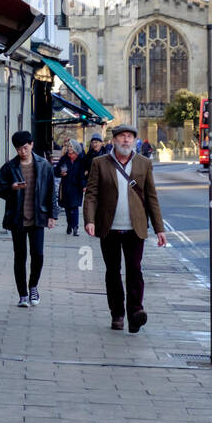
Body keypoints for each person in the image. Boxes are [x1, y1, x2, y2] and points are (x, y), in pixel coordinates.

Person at [83, 123, 167, 333]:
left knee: (135, 270)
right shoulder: (100, 163)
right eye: (122, 137)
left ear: (135, 141)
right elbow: (91, 194)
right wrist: (89, 219)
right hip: (108, 227)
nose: (126, 140)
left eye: (130, 137)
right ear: (114, 140)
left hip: (135, 228)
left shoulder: (144, 164)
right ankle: (117, 314)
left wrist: (159, 228)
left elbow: (151, 198)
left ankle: (136, 313)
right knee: (113, 272)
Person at [0, 131, 57, 308]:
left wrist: (52, 215)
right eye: (19, 149)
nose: (22, 151)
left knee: (38, 254)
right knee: (20, 257)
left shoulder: (44, 165)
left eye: (25, 147)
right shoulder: (10, 167)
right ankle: (22, 294)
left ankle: (33, 286)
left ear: (31, 144)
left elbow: (51, 191)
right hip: (17, 218)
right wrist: (12, 188)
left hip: (38, 217)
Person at [54, 139, 87, 236]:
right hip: (66, 186)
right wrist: (60, 173)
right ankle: (69, 225)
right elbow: (55, 171)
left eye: (71, 146)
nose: (69, 148)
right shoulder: (64, 159)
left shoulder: (81, 159)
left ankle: (75, 227)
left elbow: (83, 174)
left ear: (76, 148)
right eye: (68, 146)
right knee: (68, 208)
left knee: (75, 207)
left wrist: (84, 185)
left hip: (77, 186)